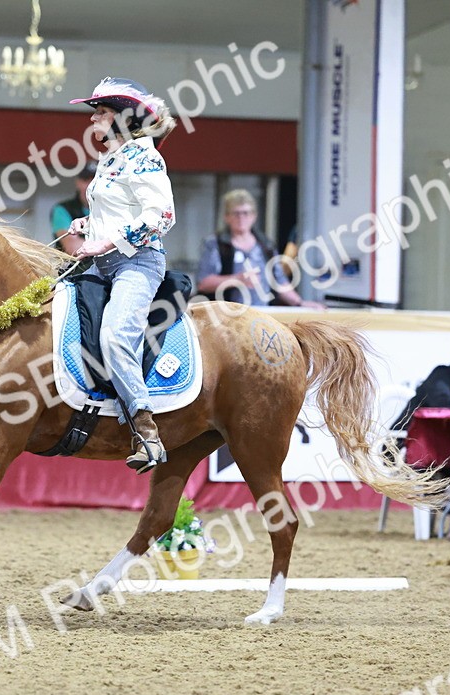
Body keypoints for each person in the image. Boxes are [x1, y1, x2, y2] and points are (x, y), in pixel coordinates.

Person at [66, 77, 177, 473]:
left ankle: (146, 432)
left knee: (115, 335)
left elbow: (162, 215)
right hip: (103, 262)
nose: (94, 119)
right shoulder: (112, 159)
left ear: (122, 119)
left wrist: (106, 241)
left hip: (137, 263)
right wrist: (87, 226)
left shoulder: (145, 157)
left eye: (101, 112)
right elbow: (116, 212)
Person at [196, 190, 325, 309]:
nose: (241, 218)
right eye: (236, 213)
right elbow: (203, 283)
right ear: (226, 217)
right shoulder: (216, 244)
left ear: (254, 216)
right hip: (225, 317)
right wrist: (237, 279)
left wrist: (301, 303)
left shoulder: (265, 246)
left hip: (261, 316)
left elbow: (279, 281)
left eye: (246, 213)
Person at [49, 161, 97, 255]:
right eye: (86, 180)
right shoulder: (62, 209)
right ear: (78, 183)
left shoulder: (114, 209)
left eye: (96, 180)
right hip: (76, 267)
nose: (91, 185)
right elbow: (72, 247)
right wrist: (108, 245)